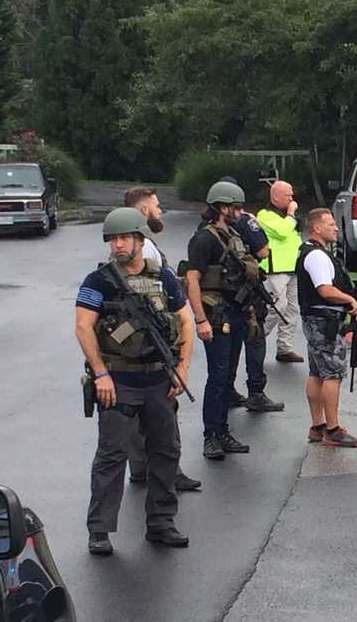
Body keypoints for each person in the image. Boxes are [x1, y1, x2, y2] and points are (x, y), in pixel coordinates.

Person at [75, 208, 193, 555]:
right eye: (113, 239)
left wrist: (182, 369)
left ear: (141, 239)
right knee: (112, 457)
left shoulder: (164, 279)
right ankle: (99, 530)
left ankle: (161, 522)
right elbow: (83, 327)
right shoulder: (98, 281)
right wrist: (100, 374)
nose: (118, 244)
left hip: (159, 379)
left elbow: (185, 322)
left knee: (166, 451)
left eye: (124, 237)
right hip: (118, 381)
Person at [123, 186, 202, 492]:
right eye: (157, 206)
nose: (161, 212)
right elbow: (165, 304)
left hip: (135, 347)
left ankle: (141, 467)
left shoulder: (129, 245)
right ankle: (169, 471)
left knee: (134, 416)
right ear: (143, 211)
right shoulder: (147, 251)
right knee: (164, 416)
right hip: (153, 345)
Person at [184, 180, 261, 460]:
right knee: (217, 378)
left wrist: (250, 309)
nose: (240, 213)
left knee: (228, 376)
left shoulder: (232, 235)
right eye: (236, 207)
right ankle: (211, 436)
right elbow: (192, 280)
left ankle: (223, 431)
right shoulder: (204, 239)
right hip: (216, 317)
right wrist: (201, 320)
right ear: (221, 207)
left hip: (237, 313)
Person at [297, 208, 357, 447]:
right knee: (332, 375)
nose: (336, 228)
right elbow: (324, 289)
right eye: (331, 224)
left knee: (316, 373)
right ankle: (333, 429)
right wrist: (349, 300)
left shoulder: (308, 251)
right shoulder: (317, 256)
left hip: (314, 321)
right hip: (324, 323)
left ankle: (317, 426)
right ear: (317, 228)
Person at [218, 177, 285, 413]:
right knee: (255, 340)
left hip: (221, 296)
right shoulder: (246, 221)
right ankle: (256, 392)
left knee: (230, 345)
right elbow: (263, 251)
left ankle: (227, 389)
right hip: (248, 293)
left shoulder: (207, 227)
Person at [256, 181, 305, 363]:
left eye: (292, 195)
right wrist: (291, 214)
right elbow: (282, 232)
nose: (291, 199)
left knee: (292, 309)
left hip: (292, 269)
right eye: (287, 196)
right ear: (275, 196)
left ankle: (285, 348)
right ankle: (257, 338)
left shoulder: (286, 217)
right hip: (275, 271)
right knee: (278, 308)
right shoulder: (265, 215)